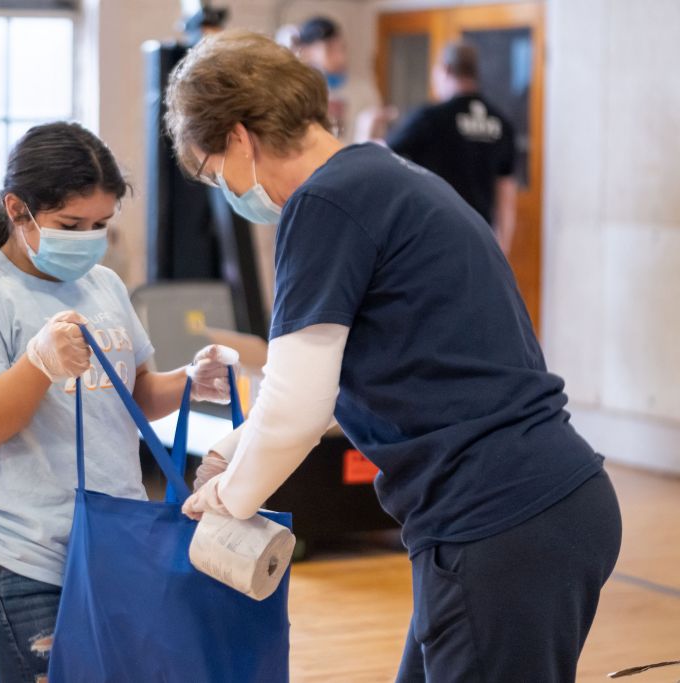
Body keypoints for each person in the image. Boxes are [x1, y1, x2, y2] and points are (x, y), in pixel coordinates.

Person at [164, 30, 621, 682]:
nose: (228, 192)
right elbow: (333, 386)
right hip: (529, 510)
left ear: (239, 137)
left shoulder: (323, 203)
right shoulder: (381, 176)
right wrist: (234, 450)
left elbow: (297, 406)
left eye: (215, 174)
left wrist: (227, 500)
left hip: (500, 521)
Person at [0, 122, 238, 683]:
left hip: (115, 546)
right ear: (17, 209)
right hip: (25, 561)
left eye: (100, 225)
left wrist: (193, 380)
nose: (88, 239)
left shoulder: (104, 285)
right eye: (71, 225)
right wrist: (38, 364)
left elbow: (135, 395)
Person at [386, 41, 519, 254]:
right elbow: (506, 196)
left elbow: (382, 158)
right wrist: (501, 253)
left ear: (445, 70)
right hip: (479, 239)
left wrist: (366, 129)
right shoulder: (501, 123)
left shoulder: (430, 119)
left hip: (432, 239)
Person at [283, 16, 383, 142]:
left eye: (342, 48)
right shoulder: (297, 93)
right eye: (329, 49)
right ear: (306, 51)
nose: (340, 58)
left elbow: (377, 140)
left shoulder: (363, 91)